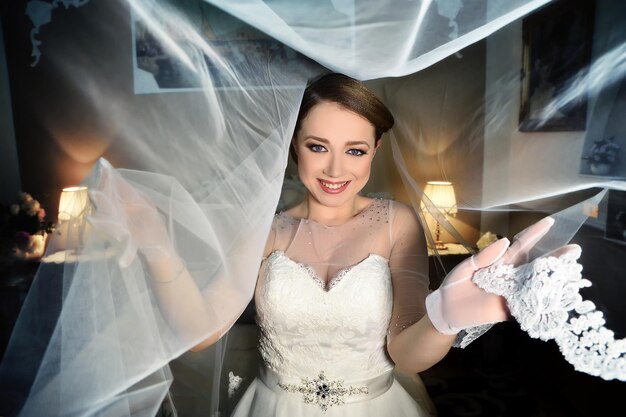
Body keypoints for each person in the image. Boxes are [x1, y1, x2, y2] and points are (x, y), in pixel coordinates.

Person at [175, 72, 558, 416]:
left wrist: (443, 319)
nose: (336, 170)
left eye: (354, 150)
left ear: (374, 150)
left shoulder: (397, 222)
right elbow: (200, 335)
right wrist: (153, 245)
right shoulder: (265, 229)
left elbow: (405, 355)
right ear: (294, 147)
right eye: (318, 147)